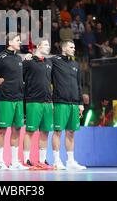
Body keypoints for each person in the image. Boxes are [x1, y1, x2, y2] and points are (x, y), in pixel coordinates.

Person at [0, 33, 28, 170]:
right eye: (18, 40)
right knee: (2, 130)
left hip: (19, 99)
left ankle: (14, 162)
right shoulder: (0, 57)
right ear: (10, 42)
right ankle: (0, 161)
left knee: (17, 129)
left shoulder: (19, 58)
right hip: (5, 99)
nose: (20, 42)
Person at [51, 40, 86, 170]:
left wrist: (80, 103)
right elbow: (42, 61)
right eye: (71, 47)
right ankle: (56, 161)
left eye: (74, 47)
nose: (74, 49)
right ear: (64, 48)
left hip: (74, 103)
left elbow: (79, 85)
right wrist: (29, 57)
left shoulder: (75, 64)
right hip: (60, 102)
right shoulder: (54, 61)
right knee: (58, 131)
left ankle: (70, 161)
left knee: (71, 132)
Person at [22, 40, 54, 170]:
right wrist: (25, 59)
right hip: (33, 101)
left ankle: (42, 161)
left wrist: (51, 101)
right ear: (38, 46)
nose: (48, 47)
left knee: (45, 132)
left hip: (47, 102)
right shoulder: (29, 61)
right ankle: (26, 160)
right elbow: (20, 77)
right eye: (45, 45)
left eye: (48, 45)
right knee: (30, 131)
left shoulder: (49, 63)